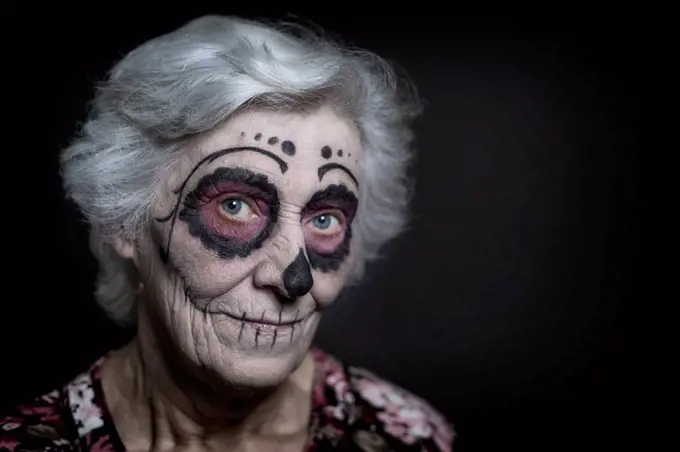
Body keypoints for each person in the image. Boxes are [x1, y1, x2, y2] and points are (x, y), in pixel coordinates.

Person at [0, 15, 454, 451]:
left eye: (323, 219)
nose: (294, 279)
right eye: (234, 206)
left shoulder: (408, 439)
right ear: (126, 222)